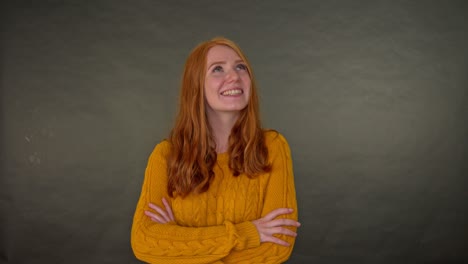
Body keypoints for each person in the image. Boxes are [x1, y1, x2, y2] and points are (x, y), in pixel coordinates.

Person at [131, 37, 300, 264]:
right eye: (217, 69)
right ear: (196, 85)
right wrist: (248, 233)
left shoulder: (272, 147)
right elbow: (145, 241)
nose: (234, 76)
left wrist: (179, 240)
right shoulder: (166, 156)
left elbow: (277, 246)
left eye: (241, 67)